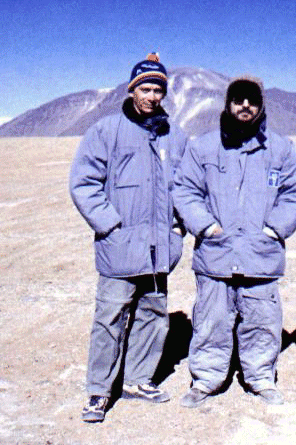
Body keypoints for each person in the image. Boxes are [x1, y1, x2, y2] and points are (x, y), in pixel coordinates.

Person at [173, 75, 296, 408]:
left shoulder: (281, 149)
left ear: (261, 105)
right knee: (211, 321)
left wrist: (274, 229)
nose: (245, 105)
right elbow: (185, 190)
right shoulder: (203, 147)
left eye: (252, 99)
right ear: (228, 104)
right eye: (238, 99)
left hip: (260, 255)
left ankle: (260, 378)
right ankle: (206, 379)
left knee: (262, 321)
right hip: (216, 254)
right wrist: (206, 227)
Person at [69, 53, 188, 423]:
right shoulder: (107, 131)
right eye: (145, 89)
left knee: (154, 314)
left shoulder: (175, 135)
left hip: (158, 248)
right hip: (120, 246)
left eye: (158, 90)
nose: (151, 96)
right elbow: (83, 183)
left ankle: (138, 380)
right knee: (110, 318)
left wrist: (178, 228)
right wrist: (109, 225)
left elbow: (187, 186)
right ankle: (98, 391)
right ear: (132, 89)